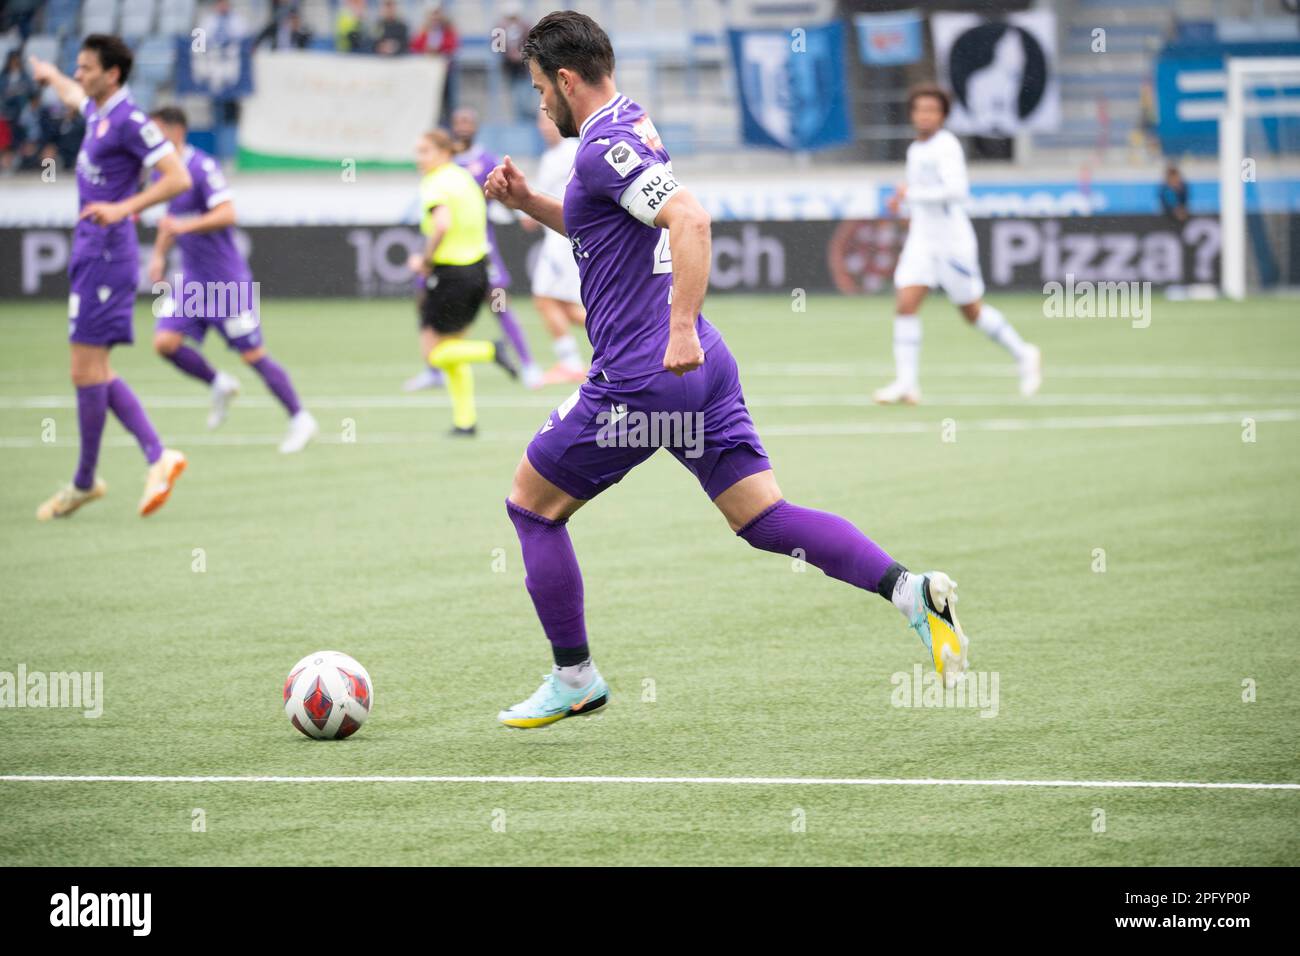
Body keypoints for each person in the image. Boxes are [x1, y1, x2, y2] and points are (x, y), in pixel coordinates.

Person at [485, 12, 970, 728]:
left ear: (564, 79)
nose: (538, 106)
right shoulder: (631, 124)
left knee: (531, 508)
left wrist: (678, 325)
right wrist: (529, 203)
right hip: (705, 368)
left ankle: (575, 676)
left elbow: (691, 219)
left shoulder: (601, 148)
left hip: (645, 375)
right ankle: (910, 590)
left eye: (537, 90)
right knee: (762, 516)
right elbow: (610, 225)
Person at [30, 36, 191, 521]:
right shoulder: (98, 111)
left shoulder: (129, 120)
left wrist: (123, 207)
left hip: (107, 255)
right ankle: (152, 458)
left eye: (84, 68)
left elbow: (177, 177)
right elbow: (72, 96)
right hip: (90, 251)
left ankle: (89, 479)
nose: (78, 75)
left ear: (112, 74)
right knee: (92, 372)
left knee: (86, 372)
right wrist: (48, 74)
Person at [147, 106, 318, 453]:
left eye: (154, 132)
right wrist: (159, 255)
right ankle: (218, 383)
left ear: (175, 131)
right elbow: (170, 218)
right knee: (165, 343)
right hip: (192, 281)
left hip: (226, 282)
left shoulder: (202, 167)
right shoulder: (161, 173)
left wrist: (185, 227)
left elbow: (228, 213)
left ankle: (300, 418)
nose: (149, 140)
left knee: (253, 355)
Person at [875, 84, 1041, 405]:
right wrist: (904, 204)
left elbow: (957, 191)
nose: (924, 115)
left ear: (942, 115)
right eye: (920, 109)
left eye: (932, 110)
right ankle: (907, 385)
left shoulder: (946, 146)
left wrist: (911, 195)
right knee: (905, 304)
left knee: (971, 312)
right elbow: (922, 196)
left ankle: (1024, 353)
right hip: (922, 240)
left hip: (951, 243)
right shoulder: (916, 150)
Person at [405, 107, 540, 390]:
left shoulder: (484, 160)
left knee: (499, 303)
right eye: (459, 121)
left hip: (479, 249)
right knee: (425, 301)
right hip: (448, 254)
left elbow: (506, 190)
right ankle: (435, 369)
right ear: (451, 127)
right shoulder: (447, 167)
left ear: (477, 126)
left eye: (469, 121)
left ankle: (528, 364)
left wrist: (524, 213)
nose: (464, 126)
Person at [407, 129, 517, 434]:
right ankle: (465, 421)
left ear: (443, 153)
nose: (419, 158)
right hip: (478, 270)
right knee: (453, 347)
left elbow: (441, 224)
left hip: (451, 274)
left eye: (425, 151)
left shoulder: (436, 182)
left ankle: (490, 350)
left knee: (433, 353)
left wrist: (424, 260)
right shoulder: (464, 178)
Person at [523, 104, 586, 385]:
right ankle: (630, 338)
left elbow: (543, 203)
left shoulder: (568, 152)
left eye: (548, 120)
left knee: (545, 299)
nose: (544, 126)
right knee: (564, 306)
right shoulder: (556, 155)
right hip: (562, 239)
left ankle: (571, 362)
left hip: (561, 241)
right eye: (540, 121)